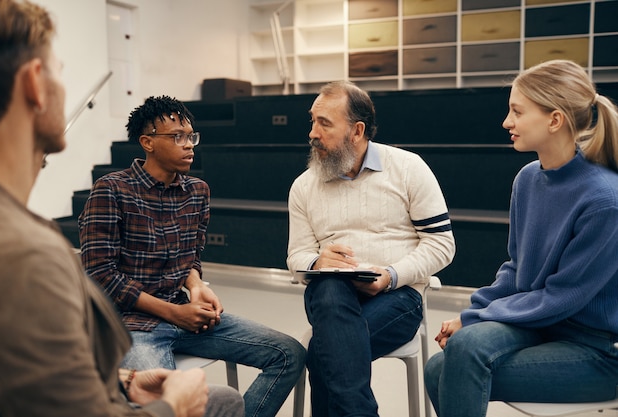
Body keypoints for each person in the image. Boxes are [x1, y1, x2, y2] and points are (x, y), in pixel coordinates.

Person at [0, 1, 244, 417]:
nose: (186, 145)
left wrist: (123, 379)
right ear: (35, 83)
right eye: (59, 69)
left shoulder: (20, 234)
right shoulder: (28, 254)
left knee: (230, 398)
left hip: (120, 377)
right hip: (139, 338)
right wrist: (174, 407)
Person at [78, 95, 307, 417]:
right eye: (177, 137)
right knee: (166, 405)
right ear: (148, 143)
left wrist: (197, 285)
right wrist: (173, 312)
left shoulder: (197, 191)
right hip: (132, 325)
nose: (189, 145)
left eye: (191, 136)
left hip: (184, 315)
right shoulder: (111, 189)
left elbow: (190, 256)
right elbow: (100, 273)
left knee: (290, 354)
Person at [424, 59, 618, 417]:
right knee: (442, 365)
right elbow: (517, 269)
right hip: (542, 326)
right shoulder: (528, 179)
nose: (506, 122)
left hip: (599, 351)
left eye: (516, 111)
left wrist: (473, 320)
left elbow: (563, 296)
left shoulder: (604, 200)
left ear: (554, 120)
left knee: (453, 361)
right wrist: (476, 311)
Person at [286, 80, 456, 417]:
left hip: (399, 297)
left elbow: (442, 244)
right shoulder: (304, 186)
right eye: (313, 121)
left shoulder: (409, 168)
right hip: (332, 297)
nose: (313, 133)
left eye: (325, 123)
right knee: (329, 288)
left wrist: (391, 275)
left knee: (323, 355)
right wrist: (318, 260)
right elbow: (296, 257)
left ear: (356, 130)